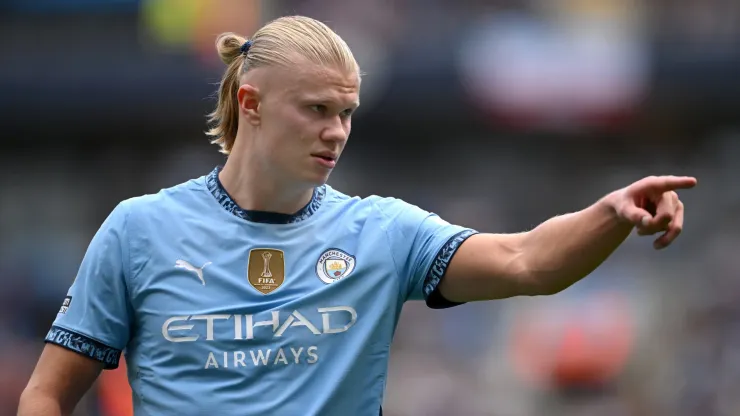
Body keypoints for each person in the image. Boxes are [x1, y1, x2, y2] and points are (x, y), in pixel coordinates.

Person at [18, 15, 696, 416]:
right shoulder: (139, 230)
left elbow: (528, 261)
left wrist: (610, 213)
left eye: (346, 112)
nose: (337, 131)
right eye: (316, 109)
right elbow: (48, 394)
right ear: (250, 104)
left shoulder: (382, 232)